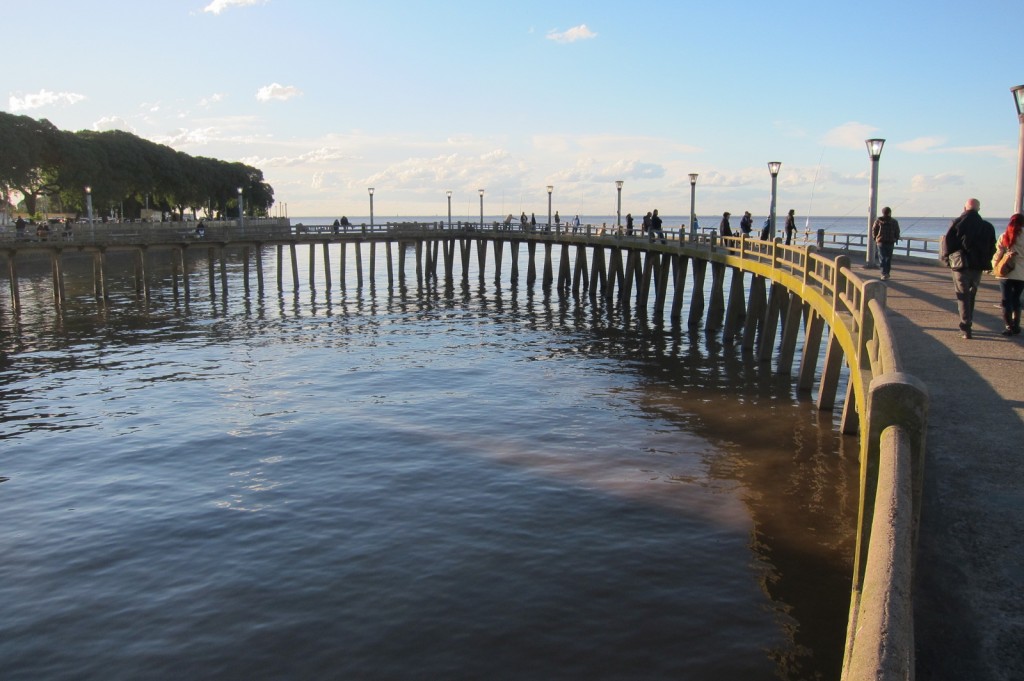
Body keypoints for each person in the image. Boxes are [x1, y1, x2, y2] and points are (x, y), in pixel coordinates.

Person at [941, 198, 997, 339]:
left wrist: (947, 259)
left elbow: (947, 243)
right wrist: (986, 260)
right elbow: (992, 247)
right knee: (971, 294)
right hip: (978, 266)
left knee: (962, 294)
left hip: (960, 265)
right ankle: (967, 322)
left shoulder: (957, 223)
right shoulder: (987, 226)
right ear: (978, 209)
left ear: (965, 208)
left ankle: (965, 326)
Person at [992, 213, 1024, 336]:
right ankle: (1016, 325)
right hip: (1021, 273)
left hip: (1006, 272)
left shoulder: (1005, 236)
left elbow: (998, 254)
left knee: (1006, 300)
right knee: (1016, 299)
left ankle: (1008, 326)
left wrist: (995, 267)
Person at [871, 206, 901, 280]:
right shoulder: (894, 221)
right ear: (890, 212)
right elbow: (897, 231)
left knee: (883, 258)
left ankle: (884, 273)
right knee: (887, 258)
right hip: (889, 242)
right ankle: (886, 273)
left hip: (881, 242)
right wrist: (896, 238)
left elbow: (874, 230)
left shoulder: (878, 221)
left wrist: (875, 238)